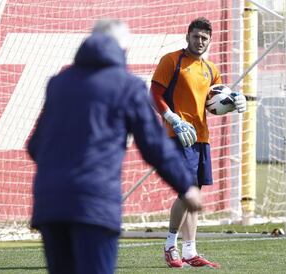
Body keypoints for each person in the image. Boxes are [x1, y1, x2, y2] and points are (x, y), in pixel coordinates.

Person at [27, 19, 203, 274]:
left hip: (50, 203)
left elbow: (34, 146)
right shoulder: (126, 85)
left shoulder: (59, 83)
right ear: (121, 49)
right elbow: (153, 145)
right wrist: (185, 186)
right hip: (95, 202)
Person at [150, 17, 246, 268]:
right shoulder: (172, 60)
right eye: (196, 36)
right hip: (178, 135)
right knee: (187, 190)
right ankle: (170, 245)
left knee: (195, 193)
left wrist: (236, 100)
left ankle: (190, 250)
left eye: (204, 38)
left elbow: (215, 102)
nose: (200, 41)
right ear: (187, 36)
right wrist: (172, 118)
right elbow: (154, 93)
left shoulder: (212, 69)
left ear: (210, 41)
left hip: (201, 137)